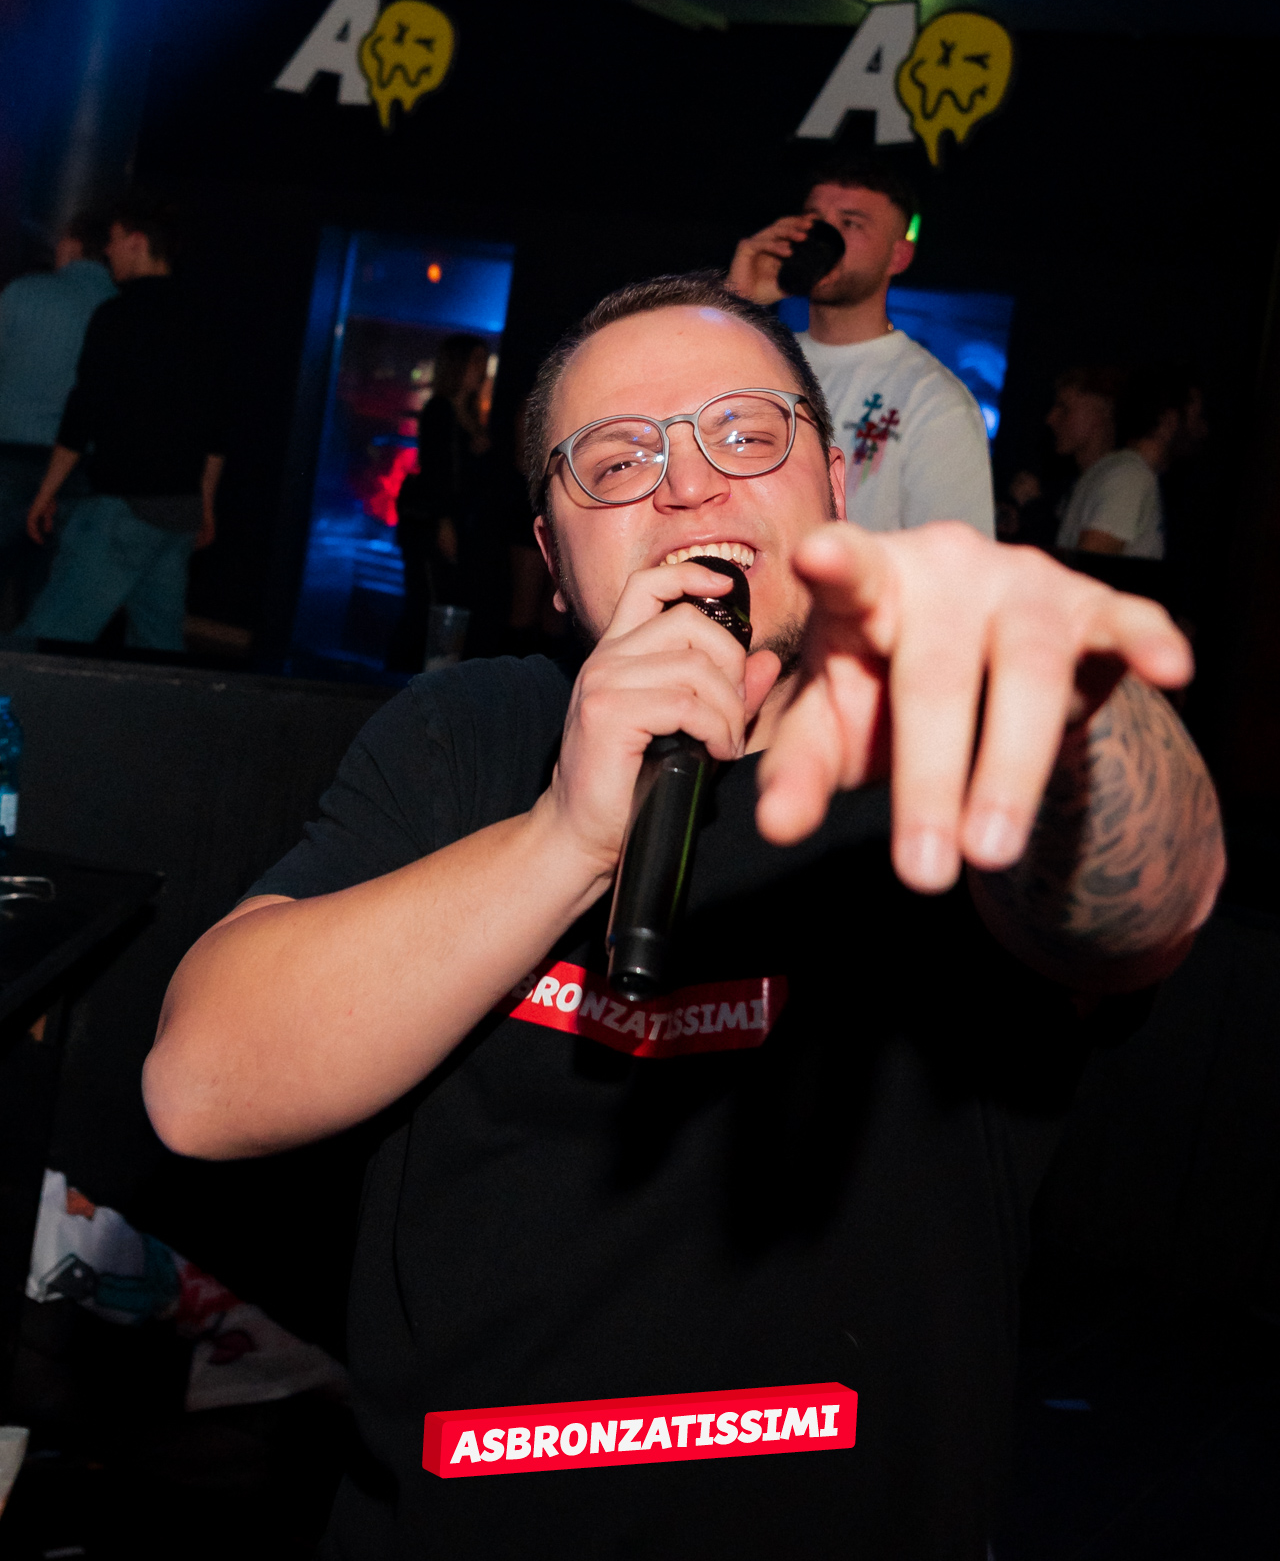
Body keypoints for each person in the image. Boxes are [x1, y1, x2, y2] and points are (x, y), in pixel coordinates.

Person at [143, 276, 1222, 1561]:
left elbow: (1144, 911)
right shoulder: (467, 735)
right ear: (551, 562)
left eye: (745, 435)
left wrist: (1069, 706)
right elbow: (201, 1089)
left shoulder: (941, 743)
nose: (689, 486)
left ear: (834, 487)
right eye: (615, 462)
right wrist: (564, 837)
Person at [726, 153, 995, 534]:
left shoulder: (933, 400)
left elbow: (957, 560)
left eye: (850, 223)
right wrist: (737, 304)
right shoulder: (763, 359)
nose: (825, 236)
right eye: (815, 219)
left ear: (898, 256)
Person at [18, 199, 225, 653]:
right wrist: (205, 504)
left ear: (136, 242)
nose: (107, 252)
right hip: (178, 510)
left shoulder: (117, 315)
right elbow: (216, 426)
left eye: (112, 241)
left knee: (47, 639)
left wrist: (46, 491)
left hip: (123, 505)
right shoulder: (206, 319)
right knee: (158, 647)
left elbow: (83, 412)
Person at [0, 213, 115, 616]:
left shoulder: (24, 291)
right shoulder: (117, 306)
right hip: (81, 463)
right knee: (50, 589)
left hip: (9, 452)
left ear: (72, 244)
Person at [389, 334, 491, 671]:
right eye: (475, 360)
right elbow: (438, 470)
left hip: (456, 521)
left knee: (442, 605)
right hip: (433, 522)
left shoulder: (470, 414)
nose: (481, 369)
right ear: (458, 364)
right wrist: (444, 522)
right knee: (427, 604)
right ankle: (401, 680)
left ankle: (426, 678)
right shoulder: (439, 409)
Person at [1051, 364, 1168, 560]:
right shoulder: (1089, 477)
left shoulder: (1126, 476)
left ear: (1102, 410)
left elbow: (1090, 569)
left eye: (1065, 408)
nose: (1051, 418)